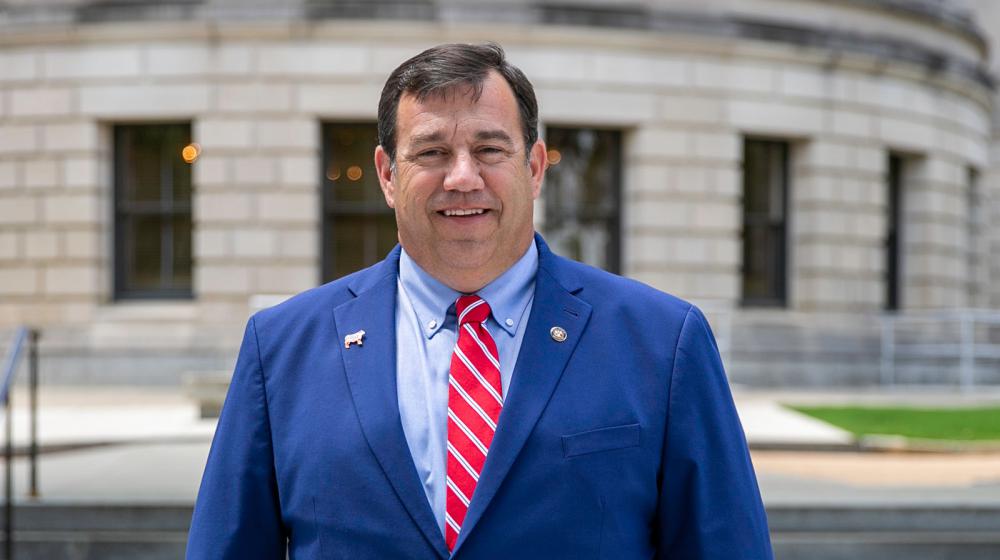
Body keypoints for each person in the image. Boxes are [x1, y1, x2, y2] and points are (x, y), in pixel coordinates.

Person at [186, 42, 773, 559]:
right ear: (388, 175)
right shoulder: (280, 347)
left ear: (535, 168)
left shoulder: (663, 343)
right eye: (432, 152)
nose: (462, 177)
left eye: (490, 149)